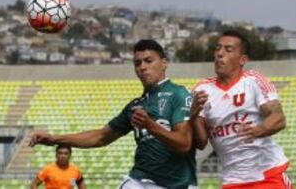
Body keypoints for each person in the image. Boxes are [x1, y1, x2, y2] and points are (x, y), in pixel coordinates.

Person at [29, 39, 197, 189]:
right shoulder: (135, 106)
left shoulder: (179, 94)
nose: (142, 67)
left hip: (177, 184)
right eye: (137, 63)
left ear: (164, 63)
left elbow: (184, 144)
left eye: (148, 61)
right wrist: (53, 139)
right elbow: (100, 137)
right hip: (139, 180)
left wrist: (150, 126)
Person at [190, 30, 293, 189]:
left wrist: (258, 130)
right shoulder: (202, 89)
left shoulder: (254, 81)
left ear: (242, 59)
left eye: (228, 50)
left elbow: (278, 118)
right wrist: (194, 115)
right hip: (232, 181)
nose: (220, 54)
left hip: (267, 175)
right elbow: (201, 142)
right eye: (217, 48)